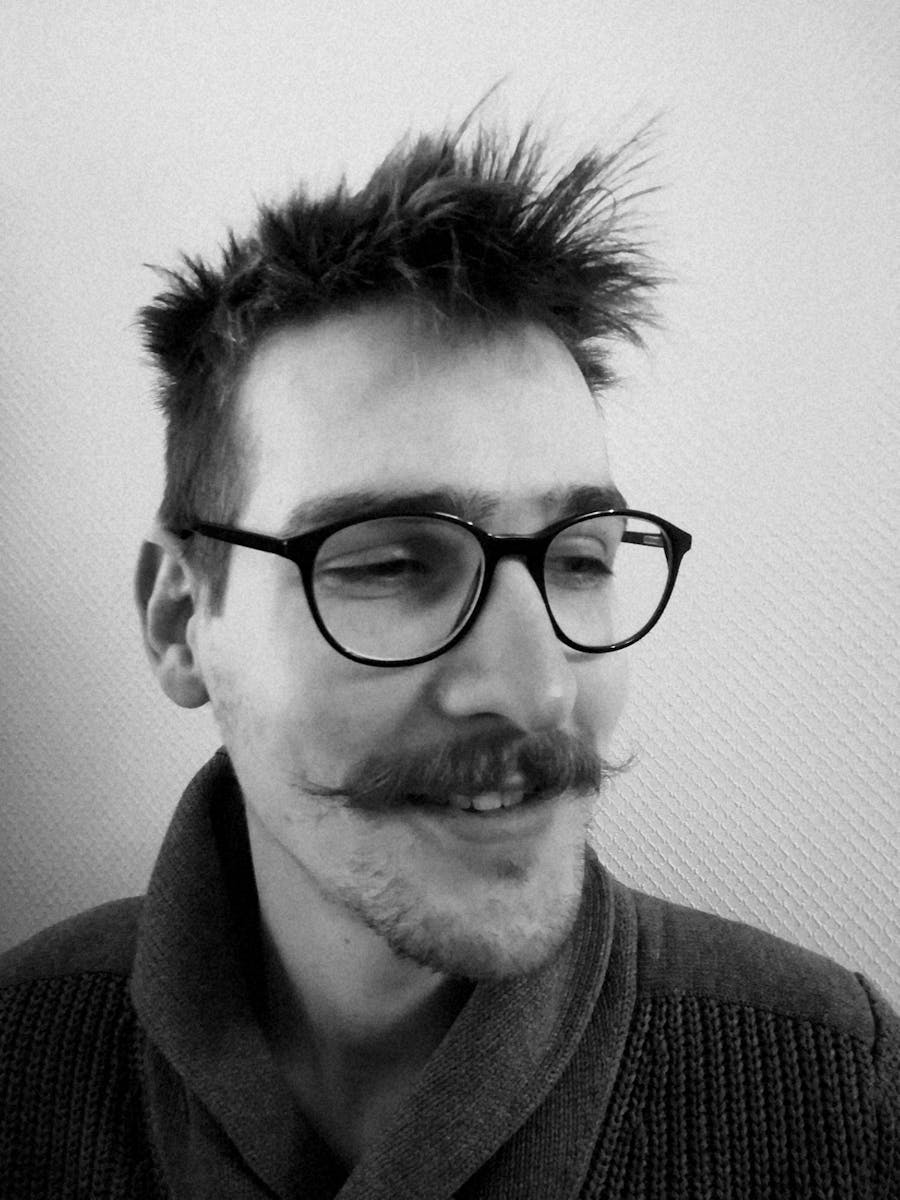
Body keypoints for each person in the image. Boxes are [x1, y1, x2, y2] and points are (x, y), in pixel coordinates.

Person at [1, 117, 897, 1200]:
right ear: (181, 619)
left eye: (578, 559)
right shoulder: (19, 1059)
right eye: (390, 565)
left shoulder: (842, 1098)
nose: (540, 688)